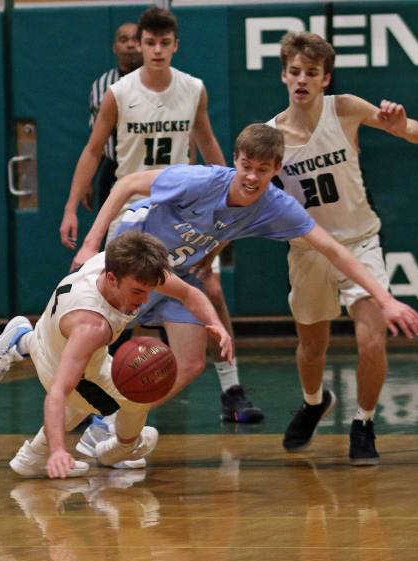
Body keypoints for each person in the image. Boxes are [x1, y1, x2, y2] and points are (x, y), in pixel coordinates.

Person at [70, 123, 418, 427]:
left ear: (277, 169)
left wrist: (385, 299)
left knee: (190, 363)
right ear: (235, 160)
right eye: (246, 166)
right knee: (93, 339)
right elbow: (128, 184)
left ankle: (116, 422)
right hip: (135, 256)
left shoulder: (276, 206)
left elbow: (334, 249)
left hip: (179, 272)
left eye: (263, 169)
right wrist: (89, 245)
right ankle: (59, 405)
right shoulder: (202, 180)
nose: (252, 177)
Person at [60, 5, 262, 424]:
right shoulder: (119, 92)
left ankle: (232, 389)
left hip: (185, 213)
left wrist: (229, 202)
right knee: (121, 308)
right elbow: (94, 150)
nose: (156, 50)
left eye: (164, 43)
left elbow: (209, 146)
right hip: (133, 214)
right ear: (140, 44)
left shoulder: (193, 89)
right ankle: (98, 403)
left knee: (212, 291)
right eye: (149, 42)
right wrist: (70, 207)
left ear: (175, 46)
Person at [266, 31, 418, 465]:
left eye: (312, 72)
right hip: (309, 250)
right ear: (284, 76)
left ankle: (364, 422)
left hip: (359, 242)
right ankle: (315, 402)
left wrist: (401, 126)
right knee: (312, 346)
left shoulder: (345, 109)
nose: (302, 79)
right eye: (295, 71)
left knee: (372, 341)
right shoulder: (270, 136)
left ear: (325, 79)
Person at [0, 231, 233, 480]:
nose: (144, 300)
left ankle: (22, 341)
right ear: (111, 279)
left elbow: (189, 293)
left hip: (46, 335)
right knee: (137, 391)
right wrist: (59, 451)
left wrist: (216, 324)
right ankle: (120, 449)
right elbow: (57, 393)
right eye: (137, 292)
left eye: (150, 290)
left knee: (90, 388)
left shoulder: (119, 264)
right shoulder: (93, 326)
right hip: (60, 368)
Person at [84, 22, 142, 211]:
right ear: (114, 48)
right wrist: (87, 180)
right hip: (115, 168)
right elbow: (96, 143)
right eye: (124, 40)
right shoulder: (102, 86)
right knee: (112, 227)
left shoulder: (165, 82)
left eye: (135, 39)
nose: (130, 45)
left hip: (155, 165)